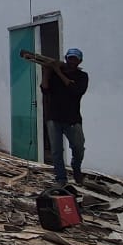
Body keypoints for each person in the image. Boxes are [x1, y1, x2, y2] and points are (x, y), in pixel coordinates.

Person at [41, 47, 89, 186]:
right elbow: (45, 89)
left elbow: (74, 90)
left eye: (75, 59)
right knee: (56, 151)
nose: (72, 61)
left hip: (72, 118)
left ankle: (76, 167)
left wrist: (56, 70)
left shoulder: (82, 76)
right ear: (66, 58)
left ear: (80, 61)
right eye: (70, 58)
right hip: (54, 117)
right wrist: (47, 72)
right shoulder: (55, 74)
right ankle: (61, 179)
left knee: (78, 147)